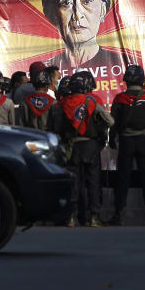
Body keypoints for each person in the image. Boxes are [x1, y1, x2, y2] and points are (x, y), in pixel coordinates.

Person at [40, 0, 130, 73]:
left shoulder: (122, 64)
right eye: (66, 2)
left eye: (86, 1)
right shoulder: (46, 71)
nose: (77, 14)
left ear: (103, 10)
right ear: (53, 14)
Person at [51, 70, 113, 227]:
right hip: (91, 146)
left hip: (72, 147)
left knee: (74, 183)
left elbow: (57, 127)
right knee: (93, 182)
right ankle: (94, 217)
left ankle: (71, 217)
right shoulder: (92, 102)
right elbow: (110, 121)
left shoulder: (61, 104)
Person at [109, 64, 145, 226]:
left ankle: (118, 214)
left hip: (126, 141)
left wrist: (112, 139)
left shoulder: (119, 99)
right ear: (142, 80)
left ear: (126, 81)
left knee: (123, 178)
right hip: (144, 141)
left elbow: (113, 123)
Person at [17, 66, 55, 130]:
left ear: (34, 84)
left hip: (30, 137)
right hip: (48, 137)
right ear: (47, 85)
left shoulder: (24, 102)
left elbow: (21, 125)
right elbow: (57, 126)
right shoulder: (54, 103)